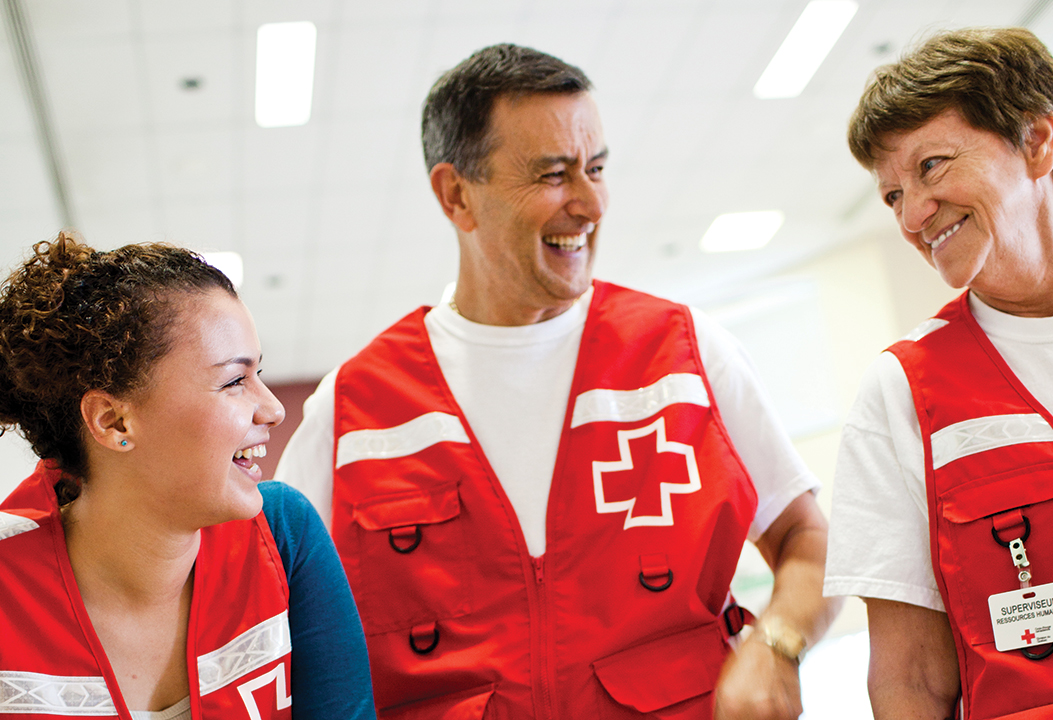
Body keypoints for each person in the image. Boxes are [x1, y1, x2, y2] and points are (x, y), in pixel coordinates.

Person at [276, 43, 838, 718]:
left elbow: (809, 541)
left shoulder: (685, 357)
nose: (589, 202)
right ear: (456, 195)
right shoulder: (356, 409)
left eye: (596, 169)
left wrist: (776, 645)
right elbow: (284, 629)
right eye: (552, 175)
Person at [823, 27, 1053, 719]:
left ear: (1037, 141)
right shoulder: (904, 393)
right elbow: (909, 678)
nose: (912, 216)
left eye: (932, 166)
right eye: (890, 196)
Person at [0, 232, 376, 720]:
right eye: (235, 381)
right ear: (115, 422)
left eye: (259, 374)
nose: (274, 409)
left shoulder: (284, 536)